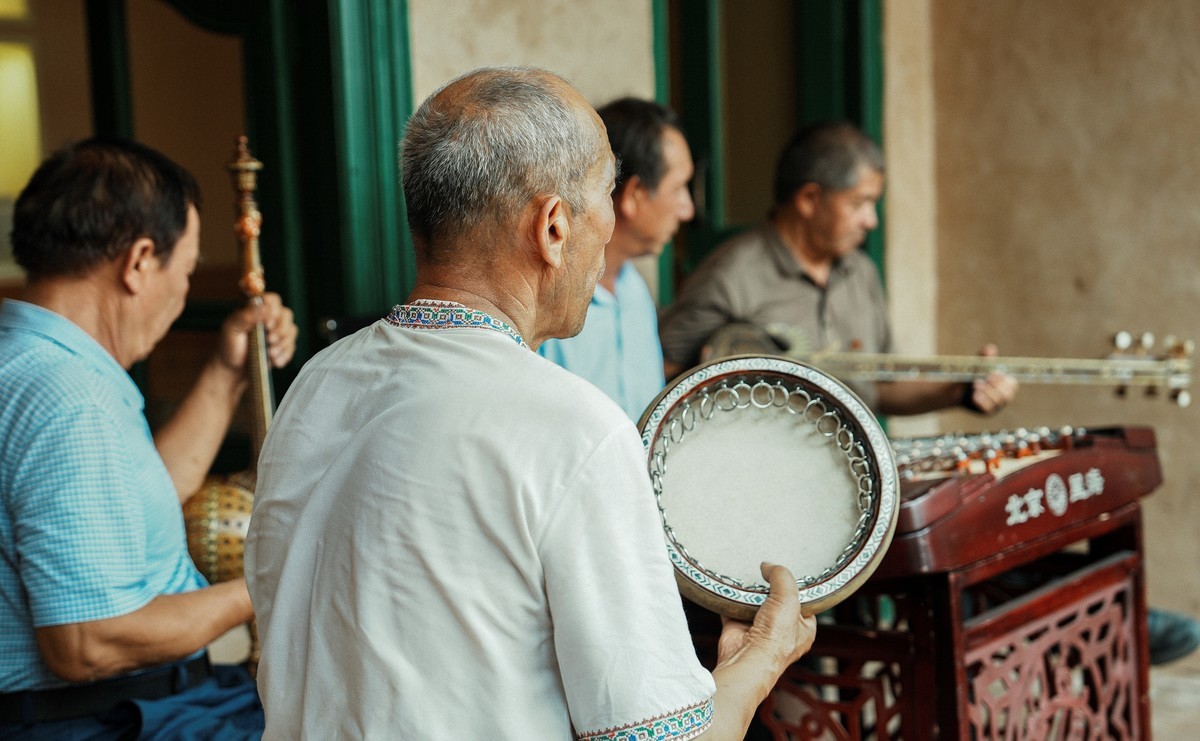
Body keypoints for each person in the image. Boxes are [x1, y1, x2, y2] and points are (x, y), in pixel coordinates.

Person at [245, 66, 817, 740]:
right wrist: (761, 656)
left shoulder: (316, 383)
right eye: (605, 197)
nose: (608, 228)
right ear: (552, 227)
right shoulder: (573, 428)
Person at [0, 138, 297, 738]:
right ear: (138, 262)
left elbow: (137, 504)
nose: (184, 293)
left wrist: (227, 371)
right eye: (185, 271)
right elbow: (88, 641)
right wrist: (278, 580)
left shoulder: (32, 357)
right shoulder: (67, 397)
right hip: (101, 719)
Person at [659, 120, 1018, 416]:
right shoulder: (728, 278)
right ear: (809, 200)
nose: (871, 221)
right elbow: (663, 376)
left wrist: (962, 390)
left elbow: (881, 387)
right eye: (860, 203)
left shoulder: (860, 272)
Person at [538, 97, 694, 420]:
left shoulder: (634, 290)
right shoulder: (548, 299)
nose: (687, 210)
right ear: (633, 194)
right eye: (678, 188)